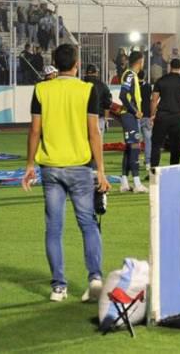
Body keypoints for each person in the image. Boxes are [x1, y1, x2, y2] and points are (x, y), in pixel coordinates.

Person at [22, 44, 109, 303]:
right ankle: (94, 278)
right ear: (77, 64)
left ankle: (58, 287)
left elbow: (35, 130)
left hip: (50, 168)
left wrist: (29, 165)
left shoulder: (41, 89)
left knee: (54, 228)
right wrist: (101, 171)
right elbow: (94, 132)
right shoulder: (87, 90)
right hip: (80, 167)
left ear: (55, 64)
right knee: (88, 223)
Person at [117, 51, 146, 193]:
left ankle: (124, 181)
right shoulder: (129, 75)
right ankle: (137, 183)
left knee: (129, 148)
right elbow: (123, 95)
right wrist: (135, 111)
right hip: (129, 115)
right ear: (140, 61)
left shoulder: (131, 75)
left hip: (130, 116)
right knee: (135, 146)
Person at [151, 58, 180, 168]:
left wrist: (152, 115)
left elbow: (154, 100)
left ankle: (154, 169)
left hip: (162, 115)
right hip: (177, 116)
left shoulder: (161, 80)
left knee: (156, 144)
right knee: (176, 146)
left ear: (169, 67)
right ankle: (174, 169)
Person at [83, 64, 113, 136]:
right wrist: (106, 120)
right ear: (96, 73)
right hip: (98, 118)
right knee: (97, 144)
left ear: (86, 73)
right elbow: (107, 105)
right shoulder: (102, 86)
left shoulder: (80, 84)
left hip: (83, 119)